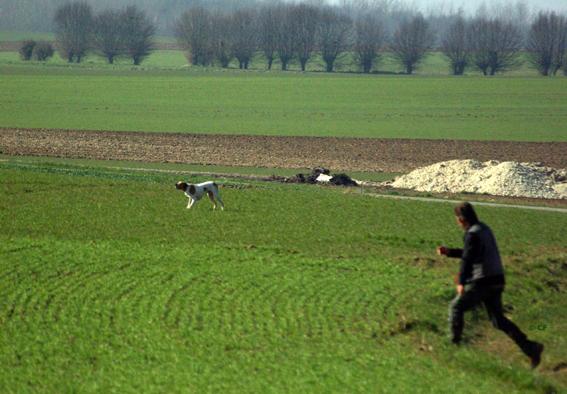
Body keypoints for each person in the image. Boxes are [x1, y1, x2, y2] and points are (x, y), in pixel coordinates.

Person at [437, 202, 544, 368]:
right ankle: (531, 348)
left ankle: (453, 350)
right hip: (497, 279)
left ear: (461, 219)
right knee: (498, 320)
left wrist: (462, 282)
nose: (457, 223)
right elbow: (470, 252)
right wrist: (449, 252)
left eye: (457, 219)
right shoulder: (484, 229)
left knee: (456, 307)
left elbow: (468, 259)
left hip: (483, 281)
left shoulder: (471, 234)